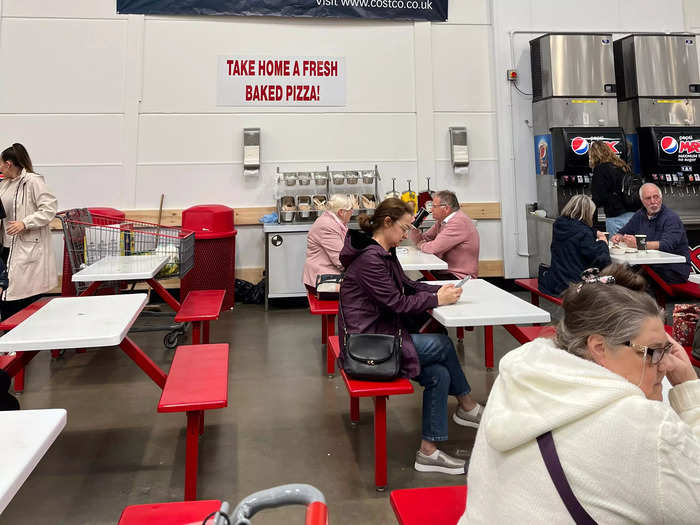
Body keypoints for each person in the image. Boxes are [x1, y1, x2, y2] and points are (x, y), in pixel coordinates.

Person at [459, 265, 700, 524]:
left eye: (666, 350)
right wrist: (690, 391)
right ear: (599, 347)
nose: (666, 365)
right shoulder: (646, 425)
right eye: (652, 352)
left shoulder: (519, 371)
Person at [339, 197, 483, 474]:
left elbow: (407, 286)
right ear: (387, 223)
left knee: (439, 374)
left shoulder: (382, 252)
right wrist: (438, 300)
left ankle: (428, 452)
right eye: (404, 229)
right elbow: (396, 302)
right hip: (369, 345)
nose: (406, 235)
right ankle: (466, 404)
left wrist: (440, 291)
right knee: (440, 344)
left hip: (383, 335)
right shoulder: (371, 259)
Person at [0, 143, 58, 320]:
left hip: (27, 248)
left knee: (17, 297)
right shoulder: (5, 184)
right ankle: (12, 340)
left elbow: (49, 209)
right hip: (7, 247)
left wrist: (25, 223)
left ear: (9, 163)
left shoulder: (33, 181)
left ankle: (19, 342)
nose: (0, 167)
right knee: (8, 296)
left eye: (1, 163)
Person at [611, 182, 691, 284]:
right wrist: (618, 237)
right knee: (618, 275)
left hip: (673, 269)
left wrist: (639, 244)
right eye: (648, 198)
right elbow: (622, 232)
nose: (653, 201)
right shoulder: (640, 215)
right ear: (642, 201)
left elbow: (666, 245)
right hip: (650, 266)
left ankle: (644, 299)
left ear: (661, 198)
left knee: (631, 280)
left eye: (656, 197)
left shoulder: (671, 218)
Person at [538, 194, 610, 297]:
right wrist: (603, 242)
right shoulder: (584, 233)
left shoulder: (559, 224)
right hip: (574, 284)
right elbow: (601, 260)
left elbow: (576, 230)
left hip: (556, 281)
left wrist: (594, 232)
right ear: (587, 213)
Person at [409, 190, 479, 279]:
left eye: (434, 206)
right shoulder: (442, 221)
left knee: (414, 289)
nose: (431, 210)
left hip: (458, 276)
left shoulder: (458, 222)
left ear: (446, 208)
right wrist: (414, 227)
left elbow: (433, 248)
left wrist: (421, 244)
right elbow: (425, 238)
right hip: (444, 272)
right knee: (411, 287)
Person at [302, 194, 353, 293]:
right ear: (341, 212)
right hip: (323, 280)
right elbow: (341, 260)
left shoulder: (333, 222)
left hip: (329, 276)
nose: (352, 212)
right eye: (350, 209)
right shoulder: (327, 226)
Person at [589, 140, 635, 235]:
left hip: (615, 216)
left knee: (617, 247)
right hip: (632, 214)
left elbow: (599, 198)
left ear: (594, 155)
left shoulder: (600, 169)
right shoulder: (623, 166)